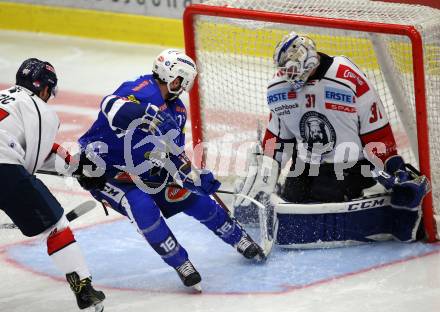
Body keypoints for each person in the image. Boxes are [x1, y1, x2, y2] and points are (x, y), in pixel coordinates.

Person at [73, 49, 265, 291]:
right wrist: (148, 114)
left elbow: (174, 155)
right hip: (103, 171)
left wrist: (194, 179)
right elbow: (109, 106)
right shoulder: (142, 88)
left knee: (196, 198)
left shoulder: (177, 111)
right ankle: (180, 262)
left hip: (144, 169)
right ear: (172, 76)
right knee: (143, 208)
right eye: (183, 81)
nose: (184, 87)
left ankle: (239, 238)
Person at [234, 32, 431, 246]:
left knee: (322, 198)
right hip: (306, 162)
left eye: (293, 68)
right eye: (285, 70)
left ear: (306, 57)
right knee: (292, 198)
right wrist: (266, 172)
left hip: (351, 164)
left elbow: (376, 133)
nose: (289, 75)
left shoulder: (347, 77)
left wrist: (393, 166)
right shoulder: (278, 88)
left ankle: (366, 193)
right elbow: (279, 137)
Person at [0, 58, 105, 311]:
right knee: (57, 226)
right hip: (4, 169)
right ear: (45, 88)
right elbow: (31, 163)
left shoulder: (5, 96)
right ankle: (84, 289)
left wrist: (74, 166)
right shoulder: (41, 109)